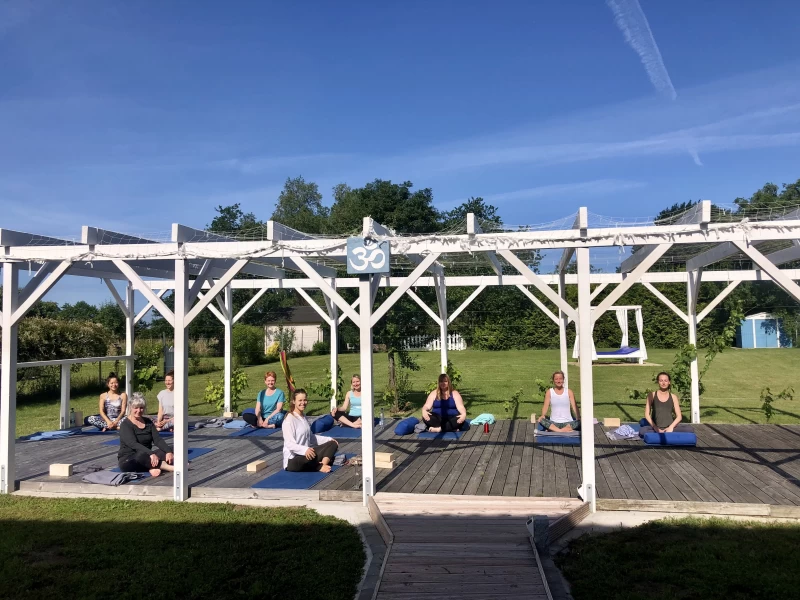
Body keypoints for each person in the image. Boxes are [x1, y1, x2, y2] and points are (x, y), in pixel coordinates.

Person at [118, 393, 174, 477]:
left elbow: (157, 440)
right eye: (136, 408)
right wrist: (150, 453)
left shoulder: (148, 422)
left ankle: (151, 466)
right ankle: (168, 467)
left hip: (148, 455)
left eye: (141, 408)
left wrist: (168, 451)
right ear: (130, 408)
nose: (139, 410)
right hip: (129, 459)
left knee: (171, 448)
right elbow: (132, 444)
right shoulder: (125, 424)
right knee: (141, 455)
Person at [282, 388, 339, 473]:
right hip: (293, 459)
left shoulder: (303, 417)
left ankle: (322, 464)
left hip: (308, 454)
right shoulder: (289, 420)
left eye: (305, 400)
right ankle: (318, 466)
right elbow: (289, 444)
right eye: (300, 400)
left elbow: (311, 437)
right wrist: (304, 450)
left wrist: (329, 439)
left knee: (333, 444)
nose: (303, 403)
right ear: (294, 401)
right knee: (309, 458)